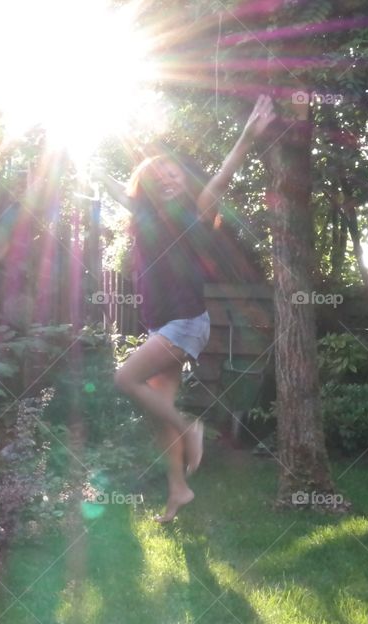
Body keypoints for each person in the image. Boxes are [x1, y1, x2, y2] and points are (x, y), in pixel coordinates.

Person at [102, 95, 277, 523]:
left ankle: (190, 426)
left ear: (184, 181)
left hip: (185, 323)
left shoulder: (191, 216)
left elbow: (219, 179)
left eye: (174, 172)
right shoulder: (142, 216)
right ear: (146, 182)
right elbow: (109, 181)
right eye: (158, 173)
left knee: (125, 378)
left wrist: (246, 137)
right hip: (163, 325)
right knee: (157, 411)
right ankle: (178, 491)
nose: (168, 177)